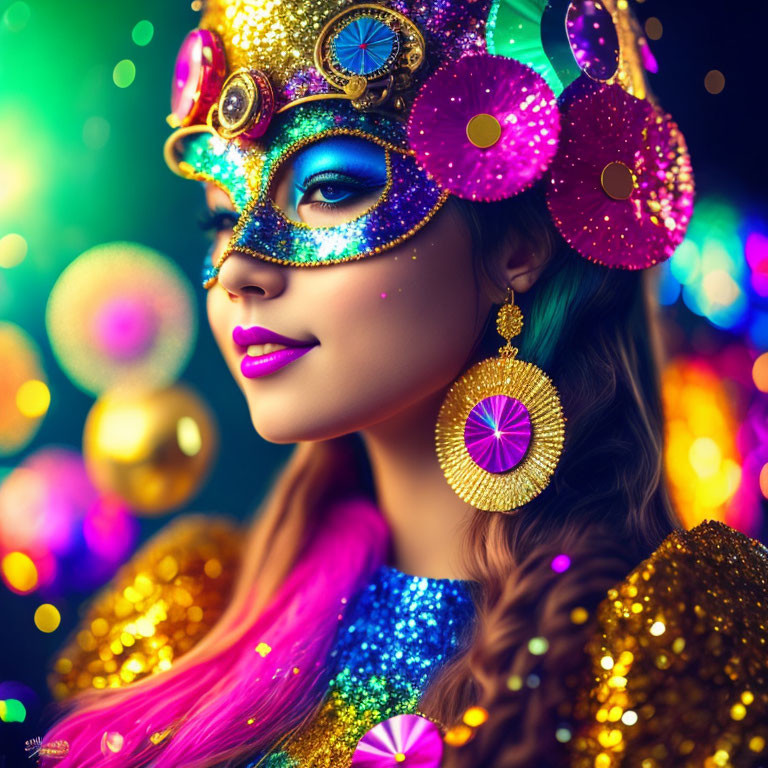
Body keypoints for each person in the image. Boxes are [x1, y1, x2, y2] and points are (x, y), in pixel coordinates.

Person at [38, 0, 768, 766]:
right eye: (222, 217)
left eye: (327, 189)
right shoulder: (184, 618)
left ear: (520, 244)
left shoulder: (686, 637)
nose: (238, 271)